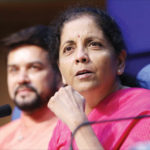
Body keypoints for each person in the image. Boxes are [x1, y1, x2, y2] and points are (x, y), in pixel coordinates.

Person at [47, 7, 150, 150]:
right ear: (61, 72)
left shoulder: (144, 108)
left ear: (119, 61)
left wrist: (78, 123)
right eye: (69, 49)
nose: (80, 56)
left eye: (94, 44)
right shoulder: (63, 124)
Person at [0, 25, 59, 149]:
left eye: (34, 67)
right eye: (14, 70)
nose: (21, 79)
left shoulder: (73, 132)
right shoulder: (2, 136)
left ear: (59, 75)